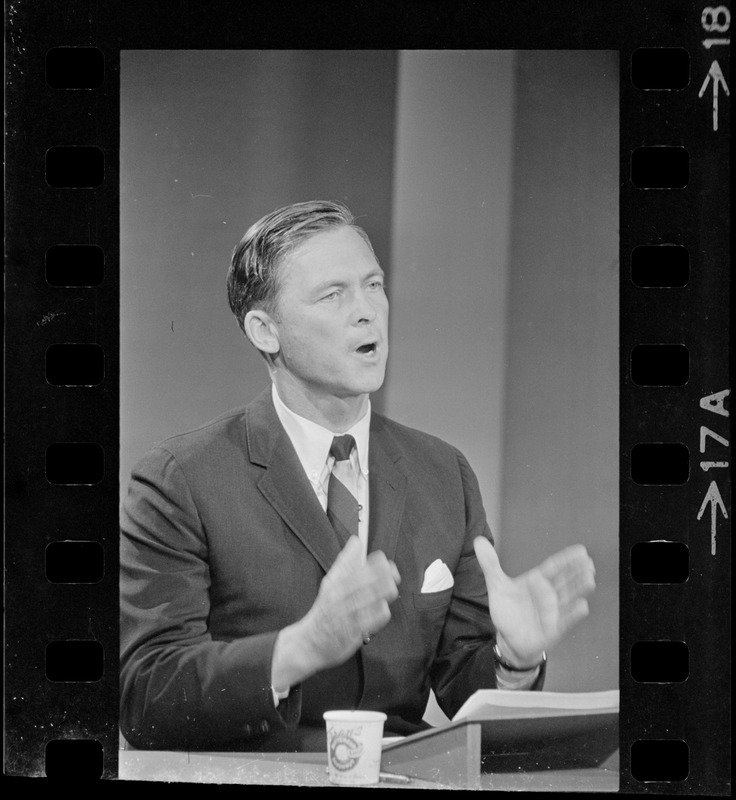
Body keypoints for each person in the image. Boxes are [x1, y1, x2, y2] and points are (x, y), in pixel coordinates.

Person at [120, 200, 596, 752]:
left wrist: (513, 660)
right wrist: (300, 648)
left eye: (374, 285)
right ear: (265, 330)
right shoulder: (183, 478)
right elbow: (146, 693)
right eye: (333, 294)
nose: (367, 311)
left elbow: (467, 686)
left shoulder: (443, 473)